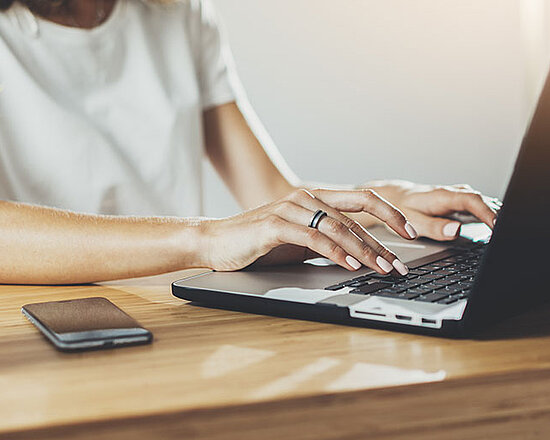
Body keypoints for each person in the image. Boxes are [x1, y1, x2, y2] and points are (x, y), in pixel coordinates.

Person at [0, 0, 500, 284]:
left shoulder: (179, 14)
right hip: (42, 318)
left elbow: (268, 197)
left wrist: (380, 202)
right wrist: (206, 239)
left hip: (168, 300)